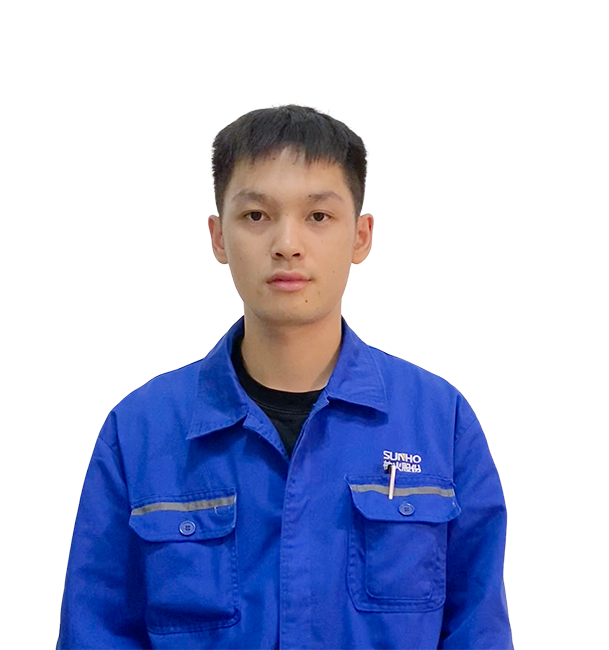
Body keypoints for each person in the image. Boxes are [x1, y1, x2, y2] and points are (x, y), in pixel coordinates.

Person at [57, 103, 513, 649]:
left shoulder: (439, 420)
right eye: (256, 216)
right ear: (218, 237)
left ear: (361, 236)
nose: (287, 243)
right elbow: (96, 632)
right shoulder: (141, 430)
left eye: (318, 216)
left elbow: (478, 629)